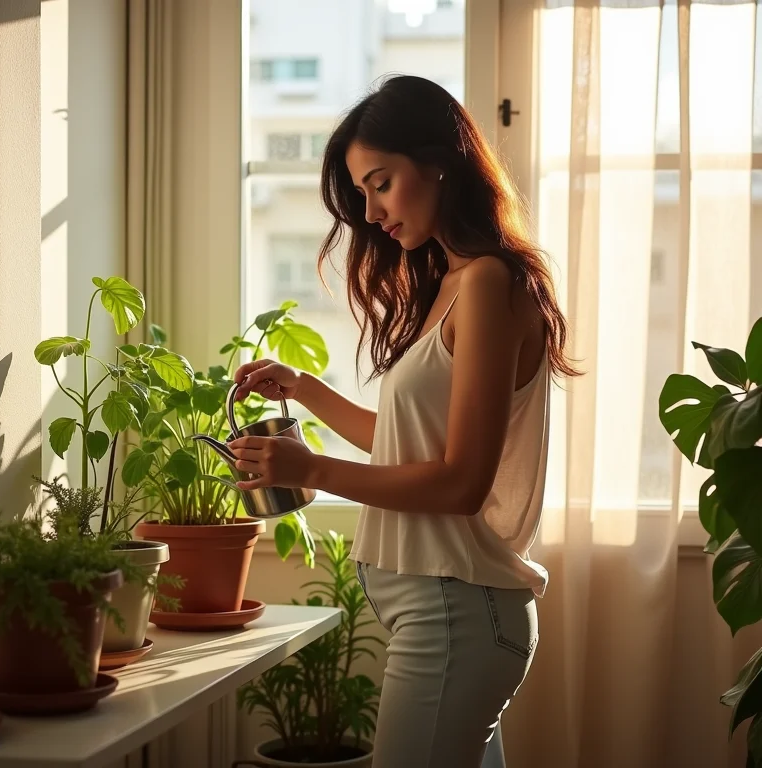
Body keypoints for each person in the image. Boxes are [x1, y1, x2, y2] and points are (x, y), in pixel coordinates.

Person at [230, 74, 578, 768]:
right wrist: (303, 389)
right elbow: (405, 444)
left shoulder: (486, 281)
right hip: (450, 616)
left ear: (440, 160)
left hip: (455, 616)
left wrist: (314, 472)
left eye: (380, 183)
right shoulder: (451, 284)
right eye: (361, 193)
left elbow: (460, 484)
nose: (371, 211)